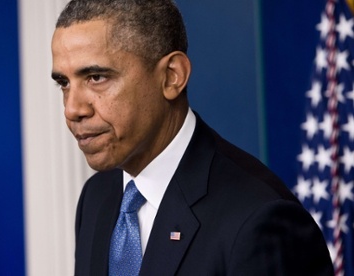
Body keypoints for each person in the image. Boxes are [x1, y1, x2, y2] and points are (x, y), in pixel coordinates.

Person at [51, 0, 334, 275]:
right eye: (64, 83)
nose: (73, 108)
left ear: (172, 76)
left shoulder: (259, 219)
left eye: (96, 77)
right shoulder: (97, 195)